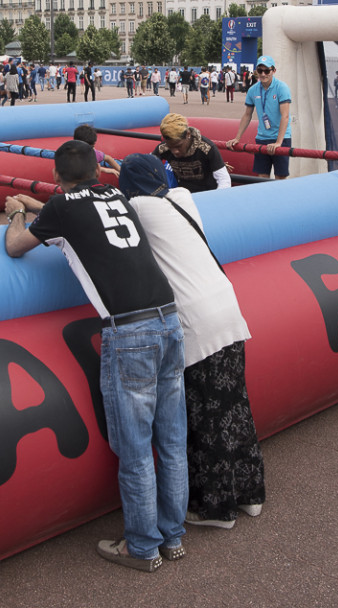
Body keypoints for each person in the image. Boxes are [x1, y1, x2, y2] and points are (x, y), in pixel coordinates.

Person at [4, 140, 187, 572]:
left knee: (137, 450)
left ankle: (142, 547)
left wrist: (15, 211)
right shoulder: (115, 194)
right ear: (96, 170)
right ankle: (173, 538)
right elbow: (68, 212)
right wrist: (38, 206)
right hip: (169, 319)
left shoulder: (63, 208)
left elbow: (16, 246)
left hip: (130, 331)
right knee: (172, 438)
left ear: (56, 176)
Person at [118, 154, 265, 529]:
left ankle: (216, 509)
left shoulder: (136, 208)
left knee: (205, 414)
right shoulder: (181, 197)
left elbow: (100, 214)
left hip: (195, 320)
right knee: (235, 404)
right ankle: (249, 494)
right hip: (226, 306)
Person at [226, 55, 292, 179]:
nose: (263, 74)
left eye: (267, 71)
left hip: (281, 138)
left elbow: (285, 116)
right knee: (262, 176)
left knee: (280, 177)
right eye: (260, 71)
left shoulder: (282, 88)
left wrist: (278, 142)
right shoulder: (253, 90)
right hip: (262, 138)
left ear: (274, 71)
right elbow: (247, 115)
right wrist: (237, 138)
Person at [154, 113, 231, 192]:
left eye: (178, 146)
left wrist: (215, 198)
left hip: (208, 194)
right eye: (170, 147)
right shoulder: (163, 148)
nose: (175, 151)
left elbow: (224, 180)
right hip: (184, 195)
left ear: (188, 134)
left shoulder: (207, 148)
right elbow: (146, 168)